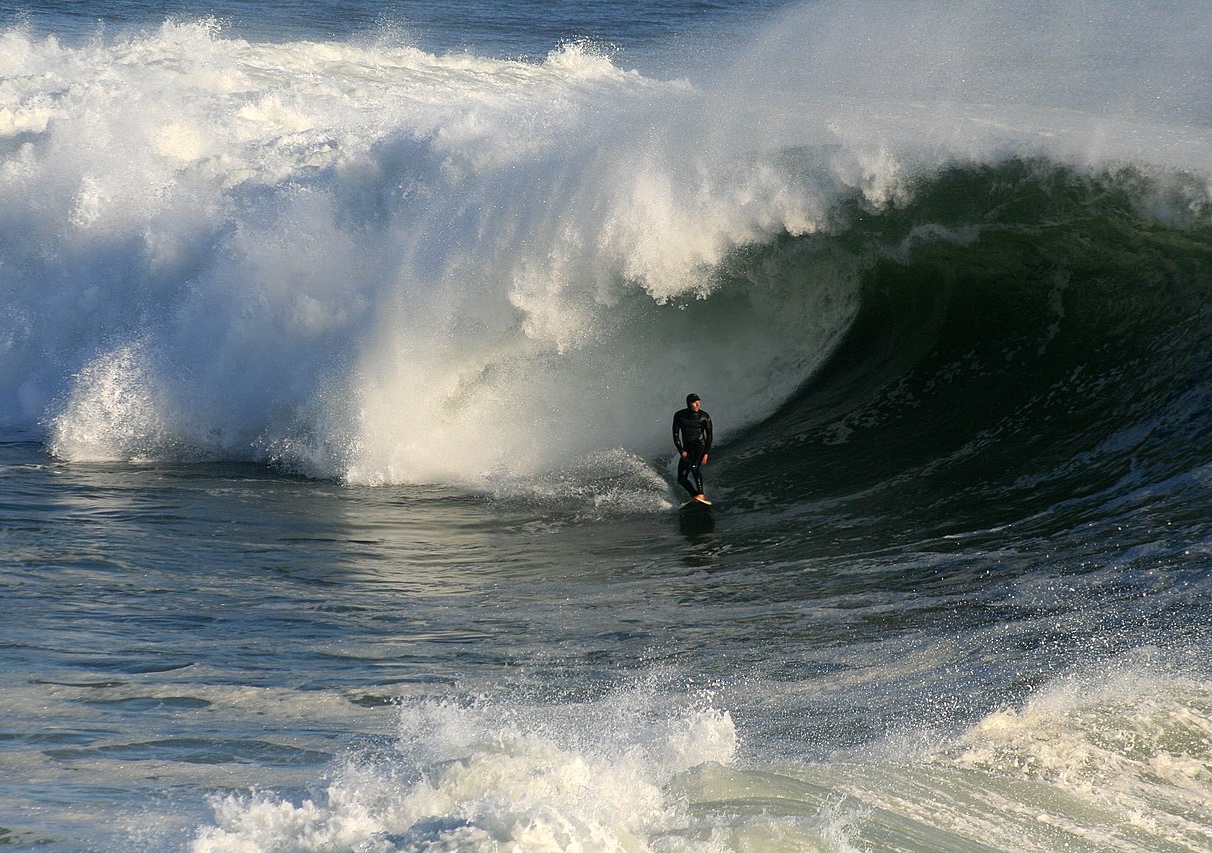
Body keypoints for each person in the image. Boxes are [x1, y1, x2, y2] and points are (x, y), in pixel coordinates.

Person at [672, 393, 713, 503]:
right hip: (687, 448)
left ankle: (701, 494)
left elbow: (709, 436)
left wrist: (706, 453)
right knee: (681, 478)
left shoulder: (704, 416)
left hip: (700, 445)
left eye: (699, 403)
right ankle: (695, 495)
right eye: (695, 403)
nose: (697, 405)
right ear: (689, 404)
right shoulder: (679, 415)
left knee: (694, 467)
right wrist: (681, 451)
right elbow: (675, 434)